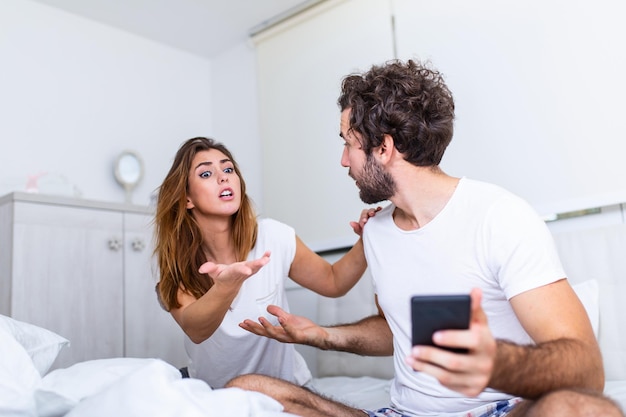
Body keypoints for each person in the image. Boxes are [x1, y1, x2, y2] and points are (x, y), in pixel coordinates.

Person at [225, 60, 625, 417]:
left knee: (582, 408)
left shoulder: (498, 215)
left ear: (384, 147)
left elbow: (586, 369)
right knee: (248, 390)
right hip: (404, 414)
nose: (343, 160)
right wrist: (322, 336)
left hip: (498, 409)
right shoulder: (377, 233)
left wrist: (495, 363)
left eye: (348, 144)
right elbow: (397, 329)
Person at [153, 136, 371, 389]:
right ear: (187, 199)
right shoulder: (179, 267)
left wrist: (366, 240)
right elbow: (196, 329)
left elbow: (334, 282)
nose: (223, 177)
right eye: (205, 174)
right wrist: (227, 286)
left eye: (228, 169)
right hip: (215, 397)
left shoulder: (273, 236)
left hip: (287, 392)